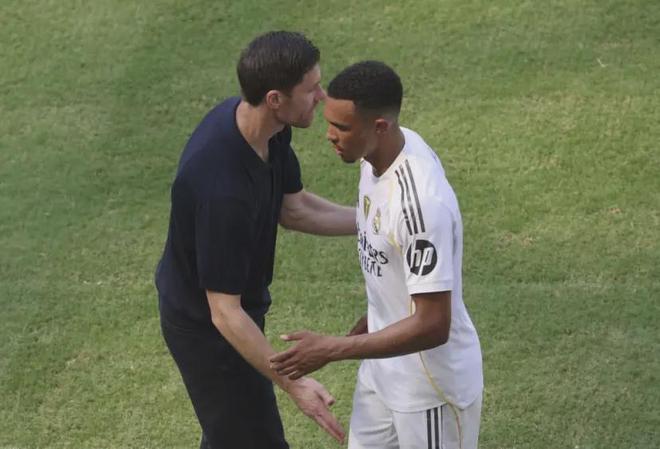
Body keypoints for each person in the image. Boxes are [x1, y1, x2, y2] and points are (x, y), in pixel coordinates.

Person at [155, 31, 355, 449]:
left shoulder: (269, 130)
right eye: (311, 89)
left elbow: (294, 209)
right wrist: (295, 386)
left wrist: (375, 221)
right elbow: (224, 313)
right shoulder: (222, 190)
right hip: (209, 332)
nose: (321, 96)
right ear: (275, 99)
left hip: (237, 313)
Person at [270, 61, 483, 449]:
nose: (330, 136)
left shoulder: (420, 204)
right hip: (382, 372)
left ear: (380, 127)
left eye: (342, 127)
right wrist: (377, 315)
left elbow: (434, 324)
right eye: (330, 123)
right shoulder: (375, 159)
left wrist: (333, 348)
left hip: (429, 390)